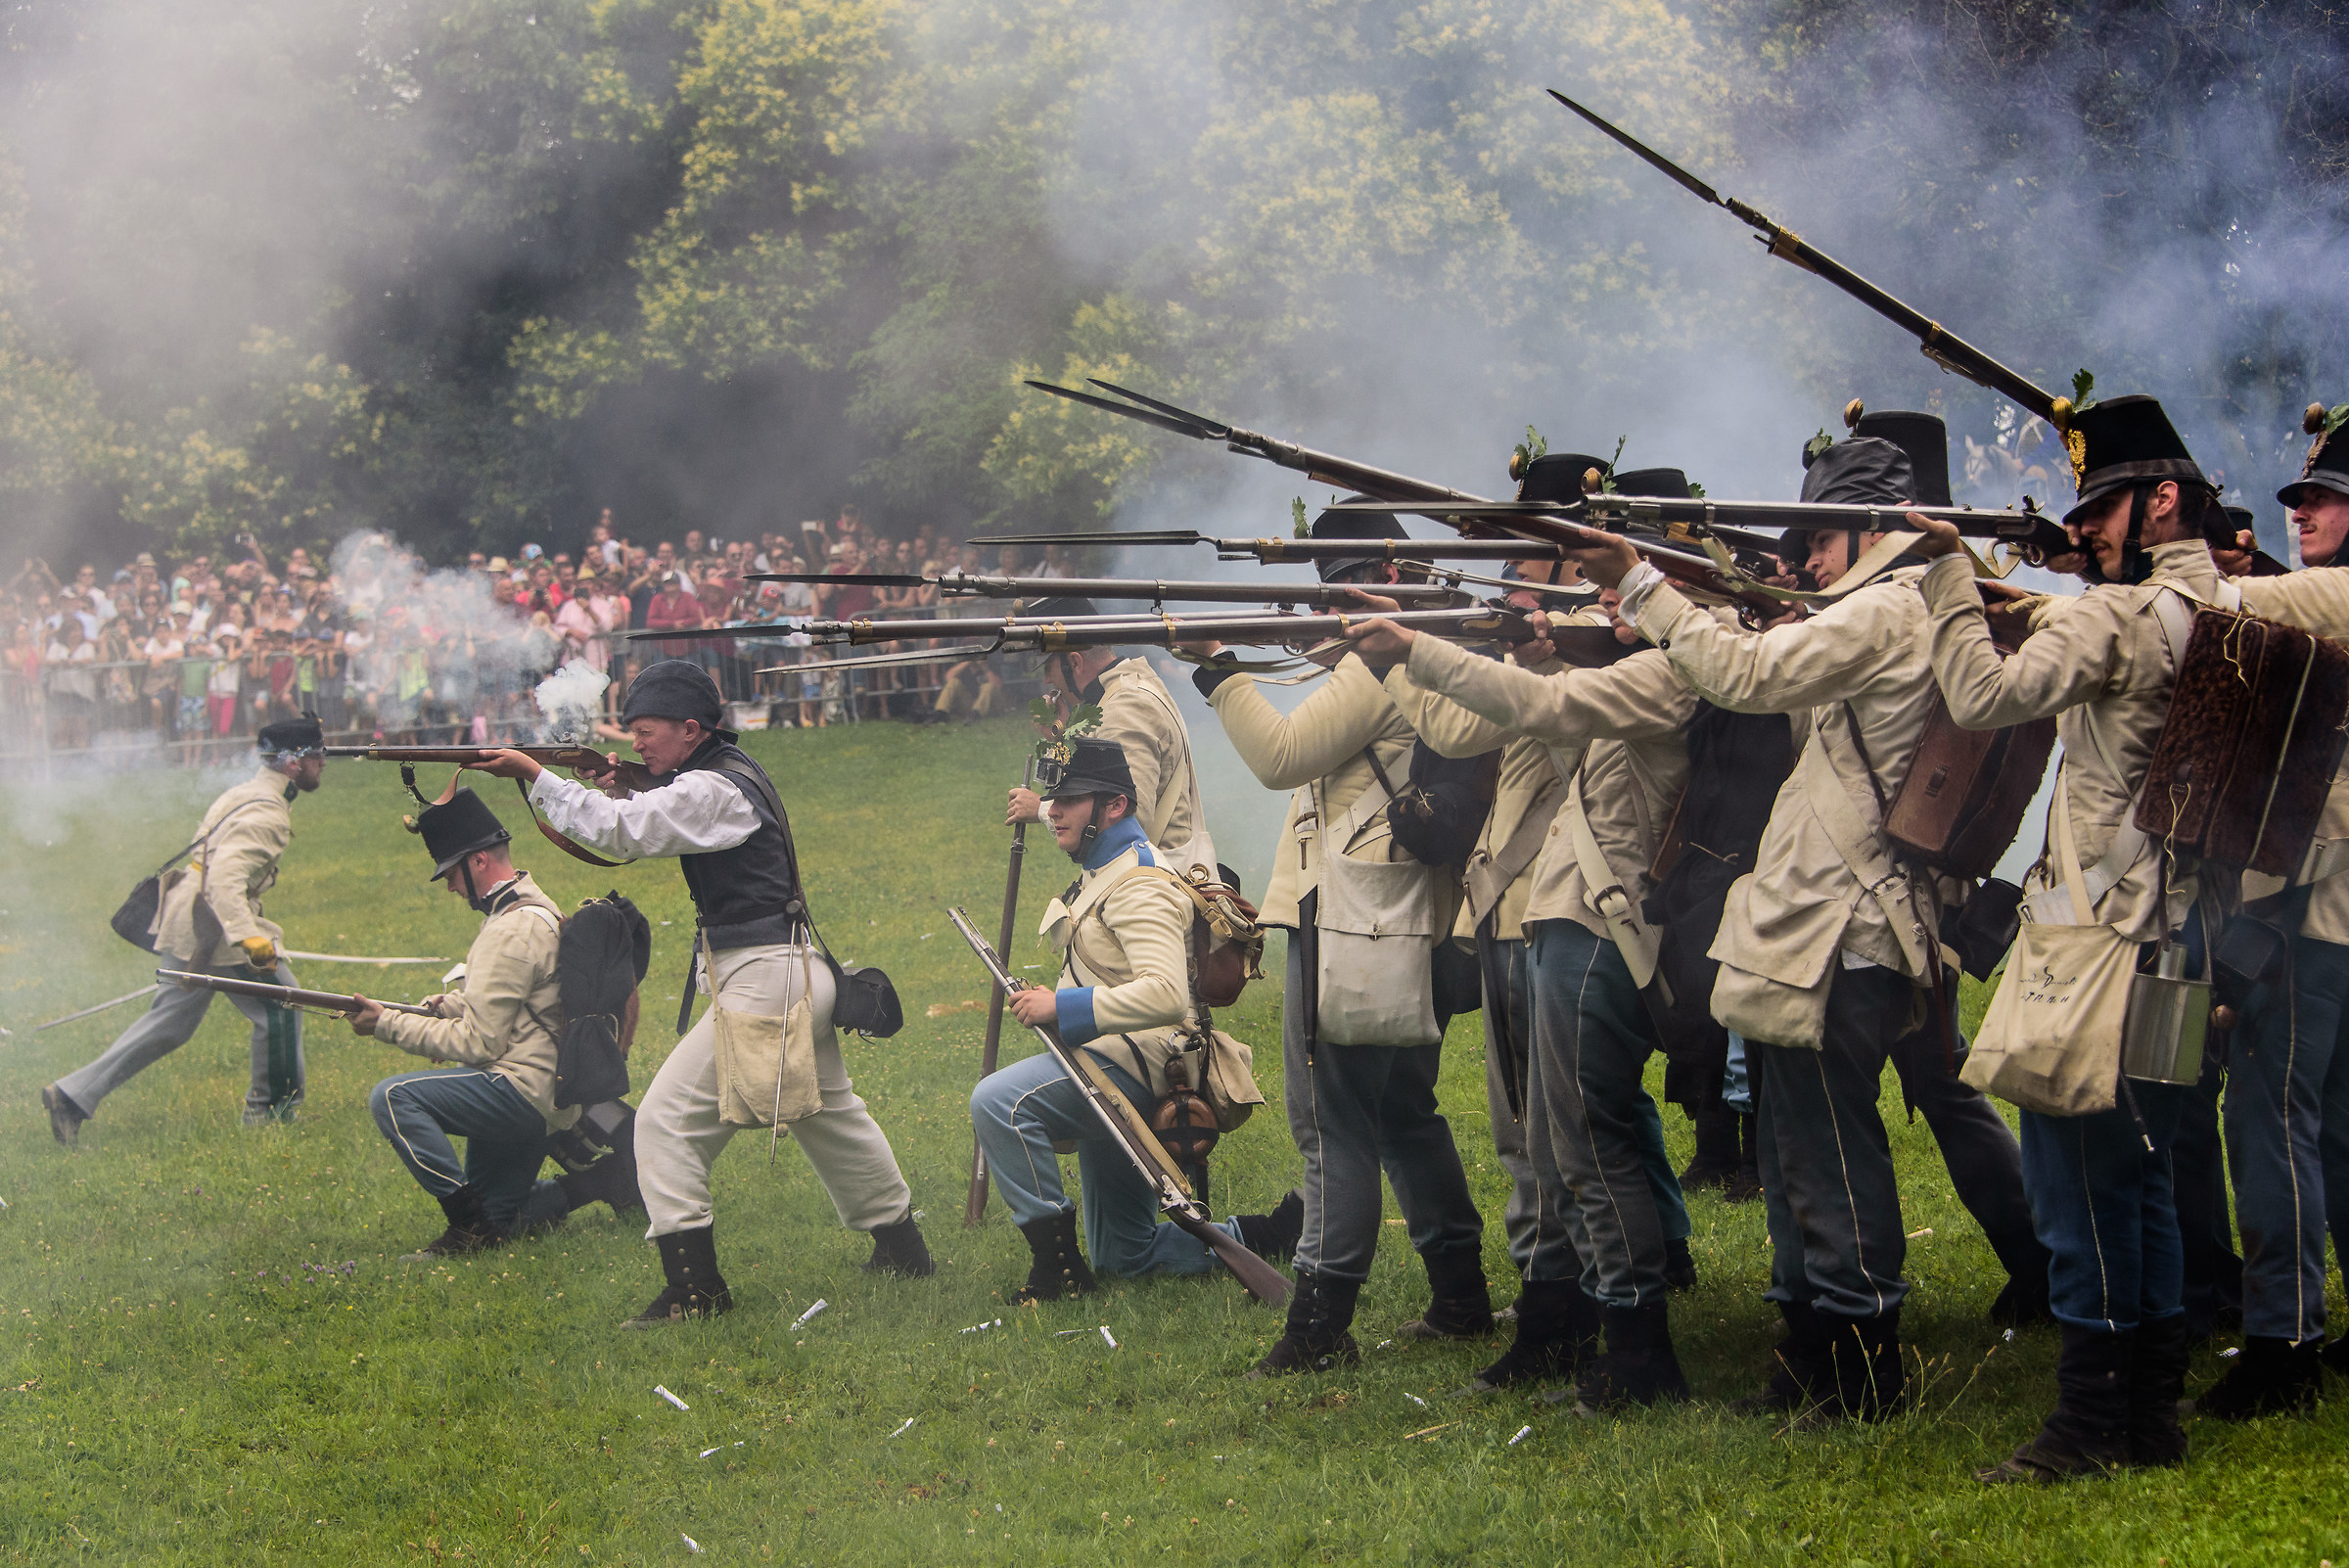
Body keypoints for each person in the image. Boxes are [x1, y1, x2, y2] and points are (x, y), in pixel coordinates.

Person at [1552, 411, 2044, 1423]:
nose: (1806, 562)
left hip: (1844, 927)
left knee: (1830, 1152)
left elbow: (1746, 676)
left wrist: (1642, 584)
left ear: (1870, 531)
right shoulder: (1880, 605)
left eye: (1819, 541)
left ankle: (1863, 1363)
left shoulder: (1891, 609)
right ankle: (1810, 1342)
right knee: (1790, 1152)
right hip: (1810, 923)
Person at [1905, 393, 2235, 1481]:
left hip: (2095, 945)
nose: (2087, 527)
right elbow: (2100, 637)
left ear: (2163, 500)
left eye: (2105, 507)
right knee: (2138, 1177)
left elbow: (1981, 694)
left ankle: (2090, 1425)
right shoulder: (2216, 604)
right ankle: (2149, 1416)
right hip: (2179, 941)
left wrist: (1949, 572)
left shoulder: (2114, 619)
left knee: (2075, 1180)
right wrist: (2044, 592)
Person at [1351, 459, 1707, 1407]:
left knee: (1585, 1141)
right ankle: (1610, 1336)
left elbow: (1545, 711)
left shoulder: (1661, 673)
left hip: (1599, 918)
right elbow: (1527, 708)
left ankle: (1634, 1351)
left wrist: (1418, 649)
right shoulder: (1618, 660)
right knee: (1565, 1140)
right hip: (1562, 913)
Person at [467, 661, 931, 1324]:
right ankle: (903, 1247)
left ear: (691, 729)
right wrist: (624, 785)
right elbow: (650, 810)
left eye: (647, 732)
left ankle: (695, 1290)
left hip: (766, 982)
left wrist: (535, 778)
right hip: (789, 974)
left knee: (663, 1128)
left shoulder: (714, 788)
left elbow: (626, 830)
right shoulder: (716, 776)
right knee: (832, 1116)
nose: (635, 745)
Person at [1180, 507, 1490, 1377]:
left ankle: (1319, 1322)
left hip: (1351, 911)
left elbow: (1282, 754)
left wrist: (1216, 671)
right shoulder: (1432, 642)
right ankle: (1461, 1293)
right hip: (1401, 911)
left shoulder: (1389, 658)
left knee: (1330, 1124)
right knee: (1402, 1114)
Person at [969, 737, 1294, 1298]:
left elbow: (1167, 995)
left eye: (1070, 800)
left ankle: (1059, 1271)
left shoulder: (1140, 884)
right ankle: (1266, 1233)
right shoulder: (1112, 862)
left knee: (998, 1102)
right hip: (1108, 1060)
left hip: (1133, 1070)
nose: (1055, 812)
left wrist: (1061, 1006)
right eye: (1054, 800)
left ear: (1114, 807)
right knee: (1126, 1255)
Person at [2176, 398, 2349, 1409]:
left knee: (2271, 1119)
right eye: (2303, 496)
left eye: (2325, 500)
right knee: (2334, 1125)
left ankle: (2282, 1343)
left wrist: (2183, 552)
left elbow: (2234, 617)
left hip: (2308, 909)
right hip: (2328, 913)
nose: (2304, 510)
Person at [43, 714, 327, 1143]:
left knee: (170, 1024)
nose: (323, 762)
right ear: (293, 763)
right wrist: (247, 936)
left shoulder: (245, 794)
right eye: (317, 754)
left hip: (192, 915)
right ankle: (270, 1117)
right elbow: (224, 880)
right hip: (214, 921)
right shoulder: (269, 814)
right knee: (281, 1008)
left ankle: (71, 1095)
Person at [348, 788, 576, 1257]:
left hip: (521, 1091)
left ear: (477, 862)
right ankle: (594, 1185)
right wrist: (434, 1008)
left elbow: (479, 1041)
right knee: (505, 1221)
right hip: (547, 1092)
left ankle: (466, 1223)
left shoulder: (510, 928)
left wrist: (386, 1025)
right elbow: (505, 999)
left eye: (451, 873)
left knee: (392, 1098)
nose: (451, 887)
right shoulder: (529, 906)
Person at [1004, 598, 1219, 879]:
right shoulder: (1120, 694)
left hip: (1152, 889)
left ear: (1074, 662)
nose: (1047, 680)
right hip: (1144, 881)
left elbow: (1127, 816)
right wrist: (1059, 736)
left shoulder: (1125, 707)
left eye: (1048, 667)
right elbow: (1099, 781)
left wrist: (1042, 809)